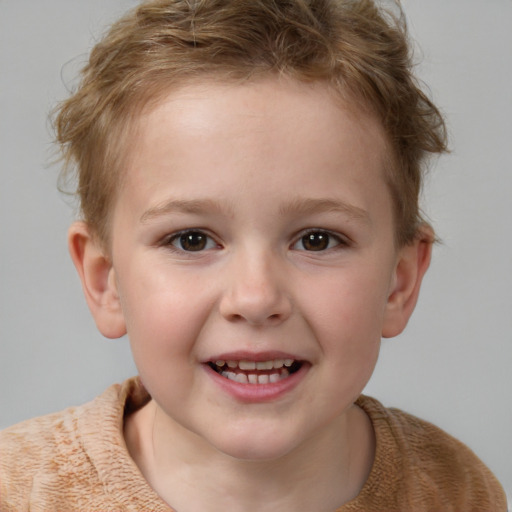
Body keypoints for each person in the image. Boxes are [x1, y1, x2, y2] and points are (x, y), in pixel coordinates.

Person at [0, 0, 507, 510]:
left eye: (317, 240)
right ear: (104, 280)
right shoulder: (18, 491)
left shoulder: (456, 491)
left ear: (399, 283)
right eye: (192, 240)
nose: (256, 297)